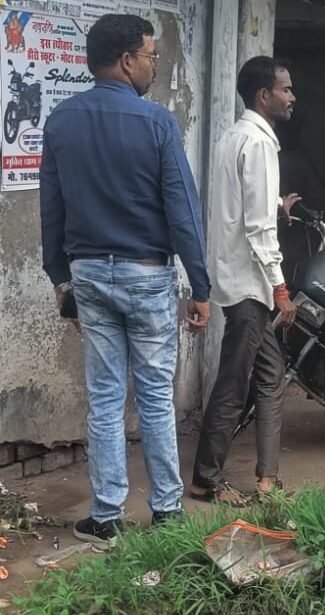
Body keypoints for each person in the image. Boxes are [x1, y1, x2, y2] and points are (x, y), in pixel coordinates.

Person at [40, 14, 211, 548]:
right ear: (125, 60)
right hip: (145, 275)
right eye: (151, 57)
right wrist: (199, 286)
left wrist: (60, 279)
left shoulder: (62, 121)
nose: (154, 66)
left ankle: (107, 515)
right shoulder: (156, 123)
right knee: (156, 395)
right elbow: (182, 209)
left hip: (89, 274)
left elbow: (53, 208)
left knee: (106, 395)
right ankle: (165, 512)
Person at [188, 56, 297, 504]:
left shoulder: (235, 135)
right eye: (286, 89)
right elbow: (256, 227)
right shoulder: (259, 142)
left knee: (272, 377)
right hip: (252, 286)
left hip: (236, 279)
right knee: (235, 382)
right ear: (263, 95)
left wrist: (276, 203)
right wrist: (280, 287)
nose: (292, 97)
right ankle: (206, 478)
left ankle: (268, 479)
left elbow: (243, 205)